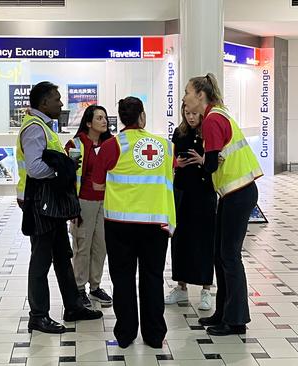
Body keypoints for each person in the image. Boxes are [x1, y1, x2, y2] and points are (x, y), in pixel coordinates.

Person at [16, 81, 103, 334]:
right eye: (57, 99)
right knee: (41, 259)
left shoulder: (43, 126)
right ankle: (38, 315)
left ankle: (73, 306)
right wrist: (63, 167)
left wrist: (64, 164)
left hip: (49, 202)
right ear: (44, 103)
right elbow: (35, 168)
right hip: (39, 202)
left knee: (62, 255)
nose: (61, 103)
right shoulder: (34, 129)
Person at [182, 73, 263, 336]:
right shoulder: (217, 114)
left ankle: (236, 320)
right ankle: (223, 313)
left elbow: (213, 163)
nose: (184, 98)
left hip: (238, 192)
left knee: (229, 256)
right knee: (220, 254)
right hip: (234, 193)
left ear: (200, 95)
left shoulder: (213, 120)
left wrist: (201, 161)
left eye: (187, 92)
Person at [92, 97, 176, 349]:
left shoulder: (110, 146)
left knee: (123, 279)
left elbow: (97, 185)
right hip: (155, 223)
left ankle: (126, 334)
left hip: (120, 224)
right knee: (153, 278)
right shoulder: (164, 146)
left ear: (120, 118)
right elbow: (170, 174)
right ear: (142, 117)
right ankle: (154, 336)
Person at [164, 104, 215, 310]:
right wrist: (177, 164)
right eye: (187, 113)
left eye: (194, 113)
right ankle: (181, 287)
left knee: (204, 239)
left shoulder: (209, 132)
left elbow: (217, 160)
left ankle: (206, 289)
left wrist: (202, 160)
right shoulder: (179, 132)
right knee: (180, 238)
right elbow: (172, 159)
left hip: (204, 191)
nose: (191, 117)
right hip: (182, 190)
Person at [64, 105, 113, 308]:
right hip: (84, 201)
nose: (104, 121)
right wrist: (72, 207)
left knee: (100, 246)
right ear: (88, 122)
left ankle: (95, 286)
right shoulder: (75, 144)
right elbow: (68, 178)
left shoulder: (111, 144)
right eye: (99, 118)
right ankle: (79, 287)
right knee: (82, 246)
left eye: (105, 118)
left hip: (107, 202)